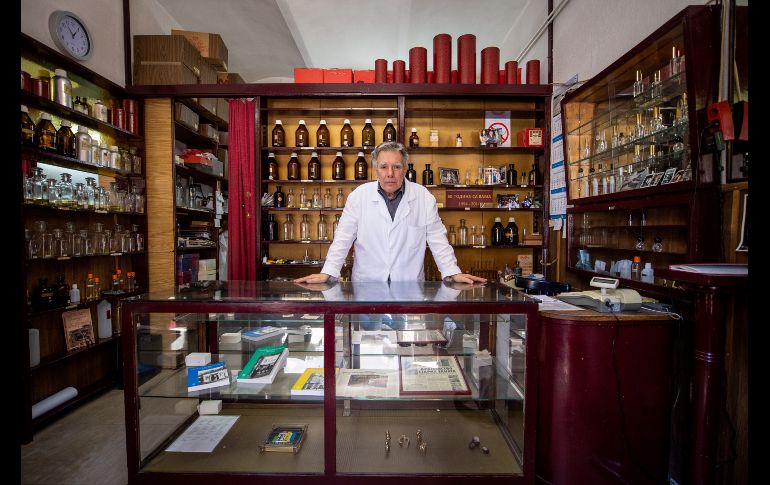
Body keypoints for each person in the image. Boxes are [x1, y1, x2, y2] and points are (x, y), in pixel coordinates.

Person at [294, 141, 486, 285]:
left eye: (396, 167)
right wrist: (328, 272)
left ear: (405, 170)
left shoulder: (423, 197)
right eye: (384, 167)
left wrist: (452, 271)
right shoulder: (358, 197)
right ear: (376, 169)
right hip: (367, 286)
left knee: (408, 337)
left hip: (409, 287)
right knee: (367, 338)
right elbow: (342, 239)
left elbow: (438, 239)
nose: (390, 173)